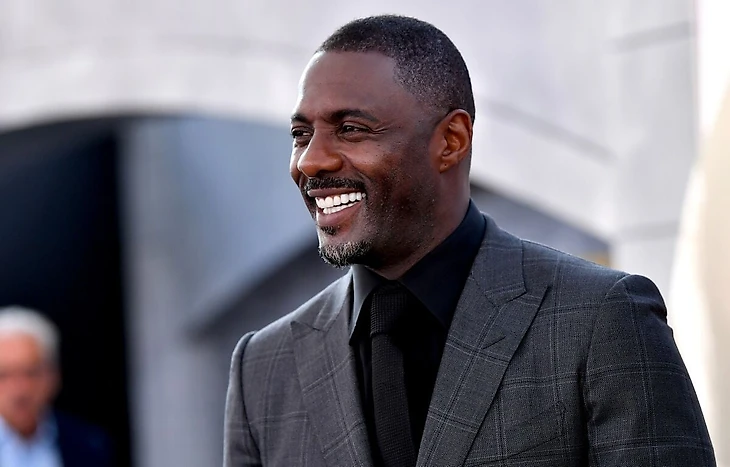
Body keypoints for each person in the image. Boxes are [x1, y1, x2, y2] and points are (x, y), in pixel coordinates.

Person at [223, 15, 715, 467]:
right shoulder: (263, 367)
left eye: (350, 129)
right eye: (300, 134)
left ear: (451, 140)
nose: (310, 161)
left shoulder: (602, 320)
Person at [0, 306, 113, 467]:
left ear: (53, 375)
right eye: (4, 375)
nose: (20, 390)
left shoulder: (89, 444)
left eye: (31, 373)